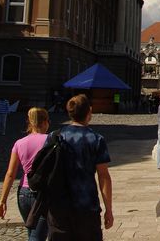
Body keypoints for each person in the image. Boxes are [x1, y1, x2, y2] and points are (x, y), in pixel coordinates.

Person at [46, 94, 113, 239]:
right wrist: (109, 209)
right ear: (89, 112)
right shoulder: (96, 139)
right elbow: (103, 176)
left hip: (59, 206)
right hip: (86, 205)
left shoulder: (54, 137)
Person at [0, 107, 50, 241]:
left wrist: (3, 200)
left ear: (30, 122)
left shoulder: (19, 143)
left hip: (23, 193)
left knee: (32, 233)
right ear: (45, 122)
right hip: (43, 194)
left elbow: (10, 174)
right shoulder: (51, 141)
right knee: (37, 236)